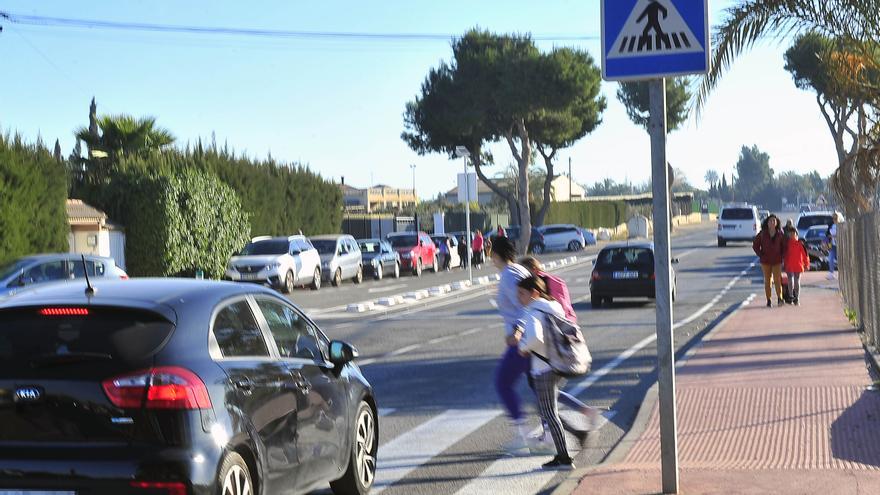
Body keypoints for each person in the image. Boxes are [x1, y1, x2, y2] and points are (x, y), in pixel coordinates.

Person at [519, 256, 603, 439]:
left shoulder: (540, 286)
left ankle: (553, 433)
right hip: (563, 342)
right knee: (548, 393)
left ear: (532, 270)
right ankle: (583, 415)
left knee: (542, 396)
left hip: (549, 347)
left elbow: (541, 325)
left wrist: (525, 344)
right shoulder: (555, 281)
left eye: (524, 273)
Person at [517, 275, 575, 470]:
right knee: (551, 411)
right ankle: (563, 455)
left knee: (550, 413)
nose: (520, 298)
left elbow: (535, 337)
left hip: (543, 368)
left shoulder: (533, 311)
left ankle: (564, 457)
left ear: (535, 293)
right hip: (558, 363)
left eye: (522, 293)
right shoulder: (554, 306)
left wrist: (523, 347)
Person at [491, 236, 532, 453]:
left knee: (502, 383)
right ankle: (584, 413)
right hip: (530, 340)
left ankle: (524, 435)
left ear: (497, 254)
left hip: (522, 342)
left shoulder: (509, 277)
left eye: (492, 254)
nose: (491, 259)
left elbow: (526, 305)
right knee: (542, 388)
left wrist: (517, 332)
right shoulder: (517, 270)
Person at [753, 214, 787, 307]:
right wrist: (761, 255)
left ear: (777, 223)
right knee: (767, 281)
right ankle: (769, 300)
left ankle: (780, 298)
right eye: (770, 221)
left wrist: (782, 256)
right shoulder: (762, 234)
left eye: (774, 221)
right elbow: (755, 245)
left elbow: (785, 247)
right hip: (766, 261)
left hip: (777, 261)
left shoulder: (780, 234)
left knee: (777, 280)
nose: (772, 222)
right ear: (767, 223)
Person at [783, 229, 810, 305]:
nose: (792, 235)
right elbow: (784, 255)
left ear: (796, 234)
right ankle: (791, 296)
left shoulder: (800, 244)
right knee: (790, 280)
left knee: (796, 280)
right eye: (790, 233)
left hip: (798, 264)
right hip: (789, 264)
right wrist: (784, 263)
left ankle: (796, 297)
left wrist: (807, 264)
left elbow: (805, 255)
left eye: (793, 233)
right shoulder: (787, 244)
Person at [827, 213, 840, 280]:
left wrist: (835, 236)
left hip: (840, 245)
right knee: (831, 258)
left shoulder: (840, 225)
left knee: (840, 260)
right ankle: (831, 273)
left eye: (835, 218)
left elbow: (842, 234)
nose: (834, 219)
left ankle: (841, 273)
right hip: (832, 244)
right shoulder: (831, 225)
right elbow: (827, 234)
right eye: (833, 218)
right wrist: (830, 236)